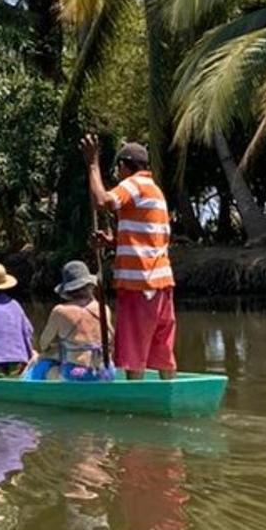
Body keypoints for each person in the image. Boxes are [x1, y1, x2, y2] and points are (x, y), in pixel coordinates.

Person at [81, 135, 177, 380]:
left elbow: (101, 201)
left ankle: (136, 403)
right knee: (163, 350)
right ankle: (169, 391)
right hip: (162, 283)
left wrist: (92, 164)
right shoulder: (155, 191)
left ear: (125, 166)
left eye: (118, 168)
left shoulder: (134, 184)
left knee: (133, 350)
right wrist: (113, 241)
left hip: (139, 284)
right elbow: (151, 238)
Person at [34, 260, 114, 382]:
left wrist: (55, 347)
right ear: (90, 286)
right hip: (105, 372)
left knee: (43, 365)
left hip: (77, 373)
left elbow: (43, 344)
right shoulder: (103, 309)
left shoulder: (60, 311)